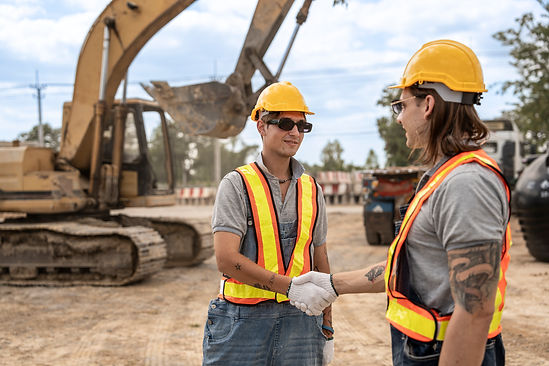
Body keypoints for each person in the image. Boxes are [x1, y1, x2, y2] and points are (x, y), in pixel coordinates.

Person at [288, 40, 512, 366]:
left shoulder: (467, 183)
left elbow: (476, 308)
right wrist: (333, 284)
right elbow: (415, 268)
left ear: (429, 105)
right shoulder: (443, 176)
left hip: (444, 353)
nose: (398, 118)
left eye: (401, 106)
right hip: (427, 348)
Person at [202, 81, 337, 366]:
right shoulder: (236, 185)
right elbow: (226, 259)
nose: (295, 132)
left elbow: (319, 257)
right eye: (285, 122)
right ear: (261, 126)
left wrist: (327, 325)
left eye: (302, 126)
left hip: (302, 324)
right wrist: (289, 287)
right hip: (241, 323)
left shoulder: (312, 189)